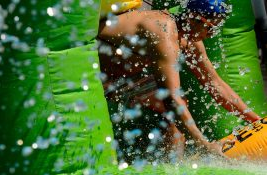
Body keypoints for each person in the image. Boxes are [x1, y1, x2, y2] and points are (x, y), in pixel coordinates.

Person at [97, 0, 261, 157]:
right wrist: (204, 144)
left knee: (177, 114)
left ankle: (174, 169)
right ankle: (176, 164)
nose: (210, 35)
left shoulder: (188, 38)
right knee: (175, 106)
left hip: (124, 77)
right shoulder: (163, 29)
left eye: (215, 30)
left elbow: (215, 83)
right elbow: (171, 97)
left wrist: (257, 121)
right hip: (97, 75)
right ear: (194, 18)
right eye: (210, 28)